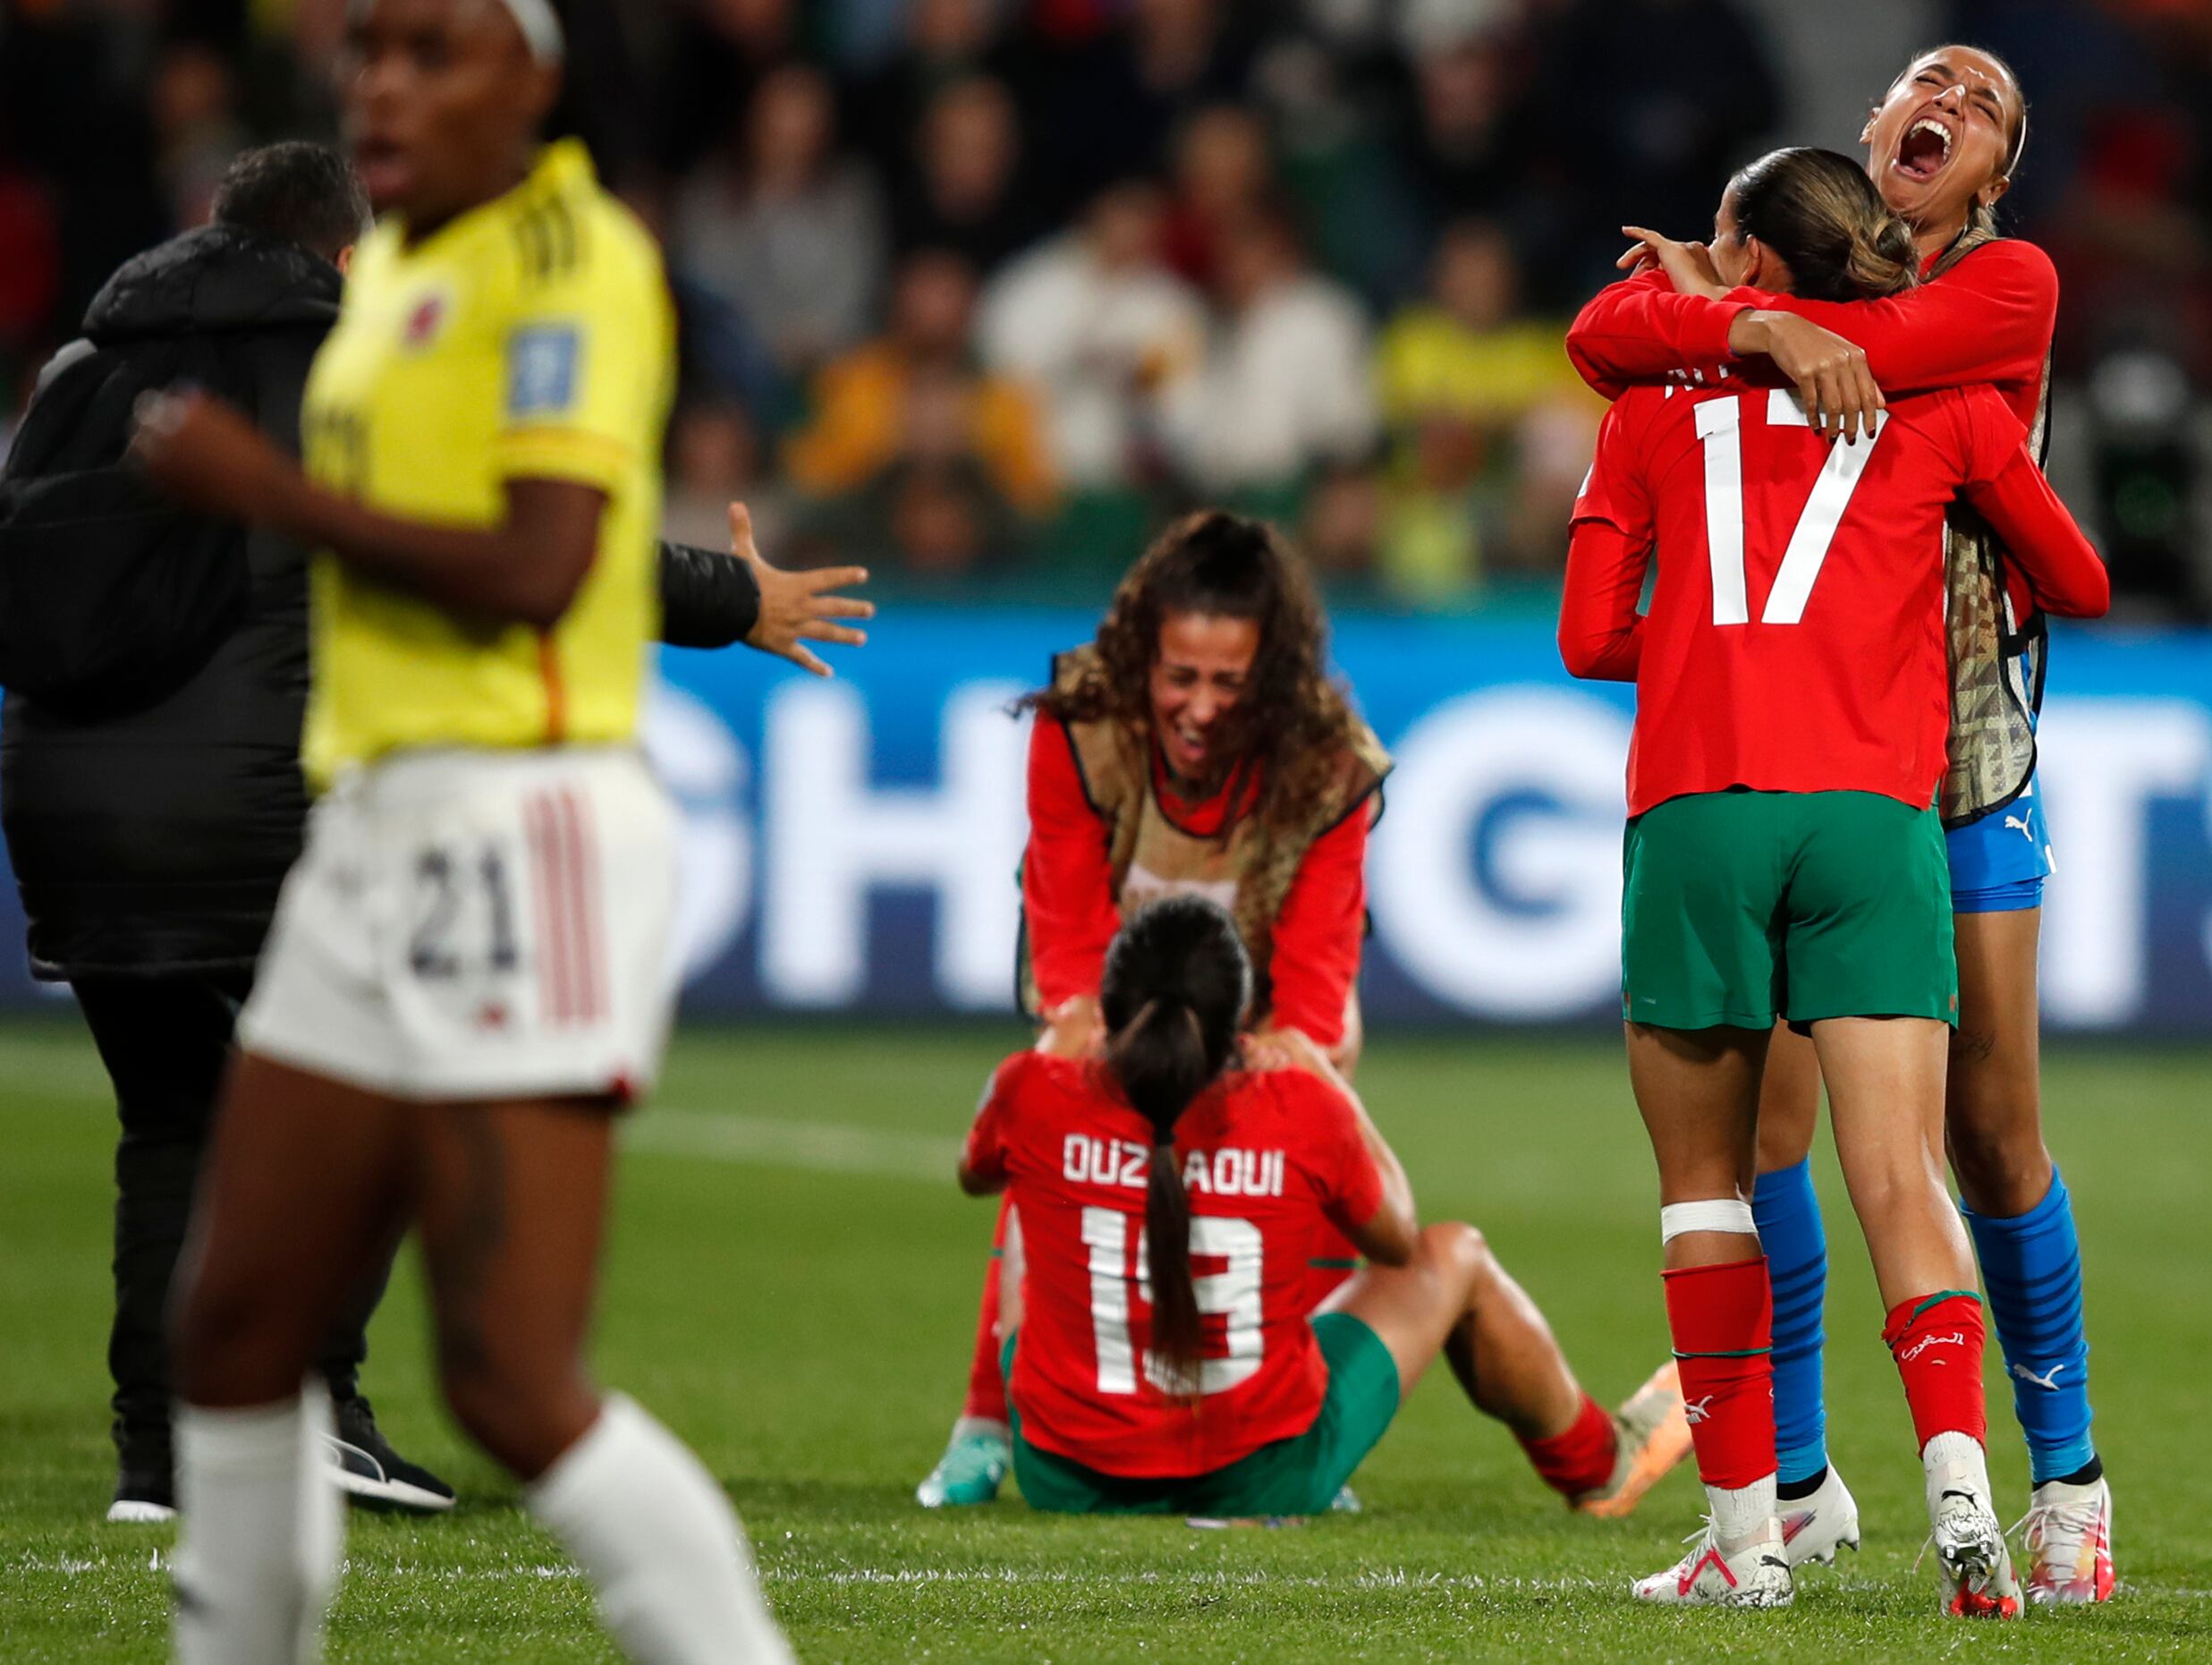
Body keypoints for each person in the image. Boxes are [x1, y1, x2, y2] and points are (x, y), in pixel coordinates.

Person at [0, 141, 860, 1529]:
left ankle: (160, 1462)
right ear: (349, 256)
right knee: (393, 1092)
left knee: (167, 1124)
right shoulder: (350, 364)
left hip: (66, 806)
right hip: (262, 802)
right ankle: (316, 1409)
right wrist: (732, 598)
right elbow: (525, 541)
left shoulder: (74, 377)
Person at [129, 1, 793, 1658]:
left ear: (535, 77)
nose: (384, 85)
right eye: (370, 49)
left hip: (518, 822)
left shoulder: (572, 261)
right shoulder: (394, 272)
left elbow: (544, 566)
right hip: (368, 823)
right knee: (234, 1327)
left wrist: (265, 490)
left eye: (438, 53)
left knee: (507, 1378)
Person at [1563, 44, 2121, 1605]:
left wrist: (1732, 313)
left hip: (1957, 757)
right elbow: (1600, 333)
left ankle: (2067, 1479)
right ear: (1875, 128)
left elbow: (1855, 344)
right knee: (1766, 1138)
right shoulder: (1788, 277)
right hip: (1835, 754)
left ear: (1993, 170)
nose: (1950, 105)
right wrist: (1741, 313)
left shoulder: (2006, 285)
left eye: (1987, 103)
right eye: (1925, 83)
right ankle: (1797, 1488)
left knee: (1988, 1135)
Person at [957, 895, 1691, 1519]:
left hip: (1064, 1475)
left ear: (1109, 1007)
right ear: (1240, 1015)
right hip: (1261, 1476)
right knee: (1455, 1252)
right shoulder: (1295, 1104)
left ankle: (991, 1429)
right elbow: (1398, 1239)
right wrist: (1326, 1079)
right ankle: (1598, 1462)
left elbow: (974, 1172)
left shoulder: (1035, 1088)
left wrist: (1054, 1049)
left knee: (1030, 1188)